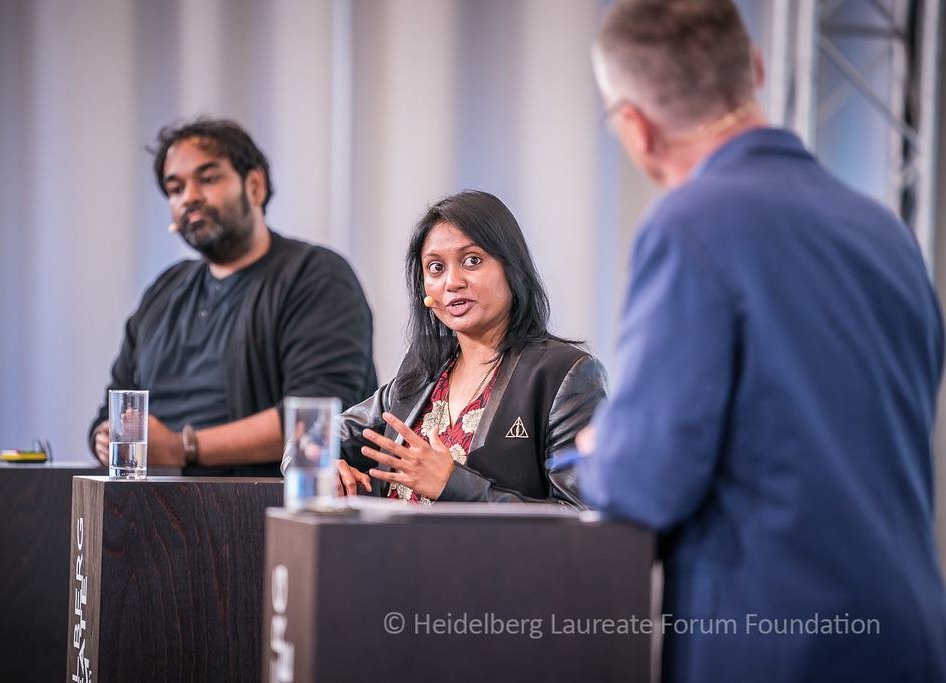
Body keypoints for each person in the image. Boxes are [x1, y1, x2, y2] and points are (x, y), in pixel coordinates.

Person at [573, 1, 946, 680]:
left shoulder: (688, 227)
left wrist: (600, 449)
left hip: (775, 642)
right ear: (756, 68)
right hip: (909, 632)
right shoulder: (886, 231)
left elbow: (649, 478)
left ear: (634, 126)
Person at [89, 117, 378, 477]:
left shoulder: (316, 276)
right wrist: (106, 438)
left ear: (254, 186)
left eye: (208, 179)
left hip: (265, 508)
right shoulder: (163, 291)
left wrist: (182, 447)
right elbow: (114, 406)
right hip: (151, 512)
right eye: (175, 189)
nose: (189, 197)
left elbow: (318, 418)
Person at [295, 190, 607, 504]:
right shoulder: (423, 369)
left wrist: (453, 483)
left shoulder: (566, 374)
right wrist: (321, 465)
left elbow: (581, 519)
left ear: (514, 270)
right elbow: (308, 436)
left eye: (472, 261)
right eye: (435, 268)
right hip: (386, 552)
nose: (452, 282)